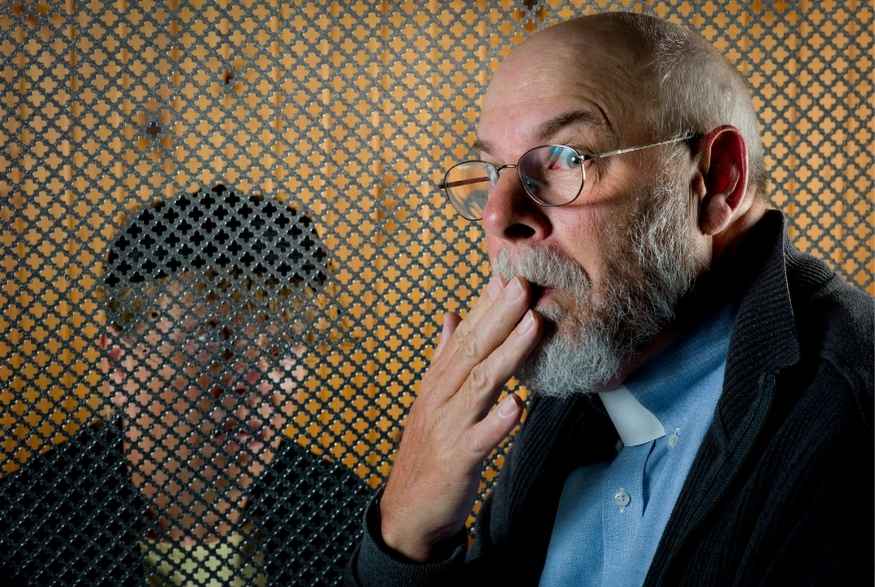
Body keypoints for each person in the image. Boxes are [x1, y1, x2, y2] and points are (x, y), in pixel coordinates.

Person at [346, 11, 873, 586]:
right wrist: (407, 532)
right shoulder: (588, 365)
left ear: (717, 179)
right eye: (493, 172)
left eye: (566, 159)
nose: (498, 217)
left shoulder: (849, 419)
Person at [0, 185, 371, 586]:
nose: (258, 381)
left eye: (281, 347)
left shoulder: (347, 521)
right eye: (212, 341)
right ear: (119, 364)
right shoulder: (24, 533)